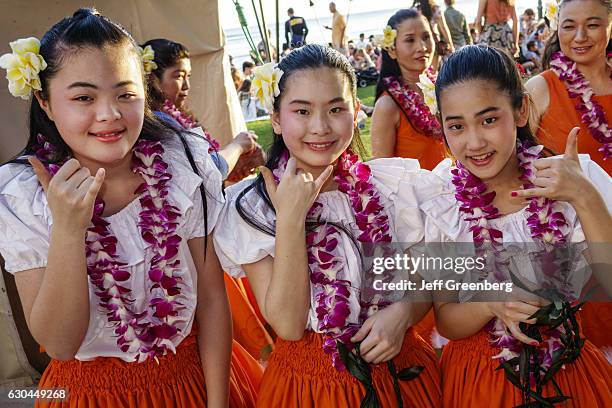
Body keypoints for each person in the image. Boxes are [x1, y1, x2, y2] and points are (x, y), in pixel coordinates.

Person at [0, 8, 262, 407]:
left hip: (192, 381)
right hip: (88, 395)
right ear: (46, 101)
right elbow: (59, 343)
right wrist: (69, 231)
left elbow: (211, 300)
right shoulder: (23, 198)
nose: (110, 114)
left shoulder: (181, 165)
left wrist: (217, 402)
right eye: (84, 97)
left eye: (126, 94)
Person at [214, 44, 442, 407]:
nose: (319, 127)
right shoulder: (252, 206)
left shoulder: (394, 189)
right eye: (301, 110)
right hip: (309, 388)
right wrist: (289, 220)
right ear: (276, 119)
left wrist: (404, 311)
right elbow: (288, 325)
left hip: (402, 376)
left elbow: (432, 275)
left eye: (336, 109)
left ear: (356, 114)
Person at [417, 44, 612, 407]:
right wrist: (489, 304)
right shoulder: (441, 200)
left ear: (521, 110)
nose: (474, 142)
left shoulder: (571, 179)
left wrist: (584, 197)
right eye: (456, 126)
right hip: (480, 381)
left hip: (568, 370)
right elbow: (446, 320)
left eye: (489, 119)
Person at [526, 0, 612, 356]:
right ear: (555, 26)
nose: (579, 36)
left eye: (592, 25)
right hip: (583, 252)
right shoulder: (539, 89)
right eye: (568, 26)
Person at [142, 39, 265, 183]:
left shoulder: (174, 115)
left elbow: (201, 176)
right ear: (152, 79)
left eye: (188, 76)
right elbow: (208, 170)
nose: (187, 85)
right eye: (179, 76)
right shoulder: (158, 121)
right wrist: (238, 145)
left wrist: (235, 167)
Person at [371, 9, 446, 171]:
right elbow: (382, 175)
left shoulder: (444, 88)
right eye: (410, 40)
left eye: (426, 37)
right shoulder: (387, 105)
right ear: (392, 50)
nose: (422, 47)